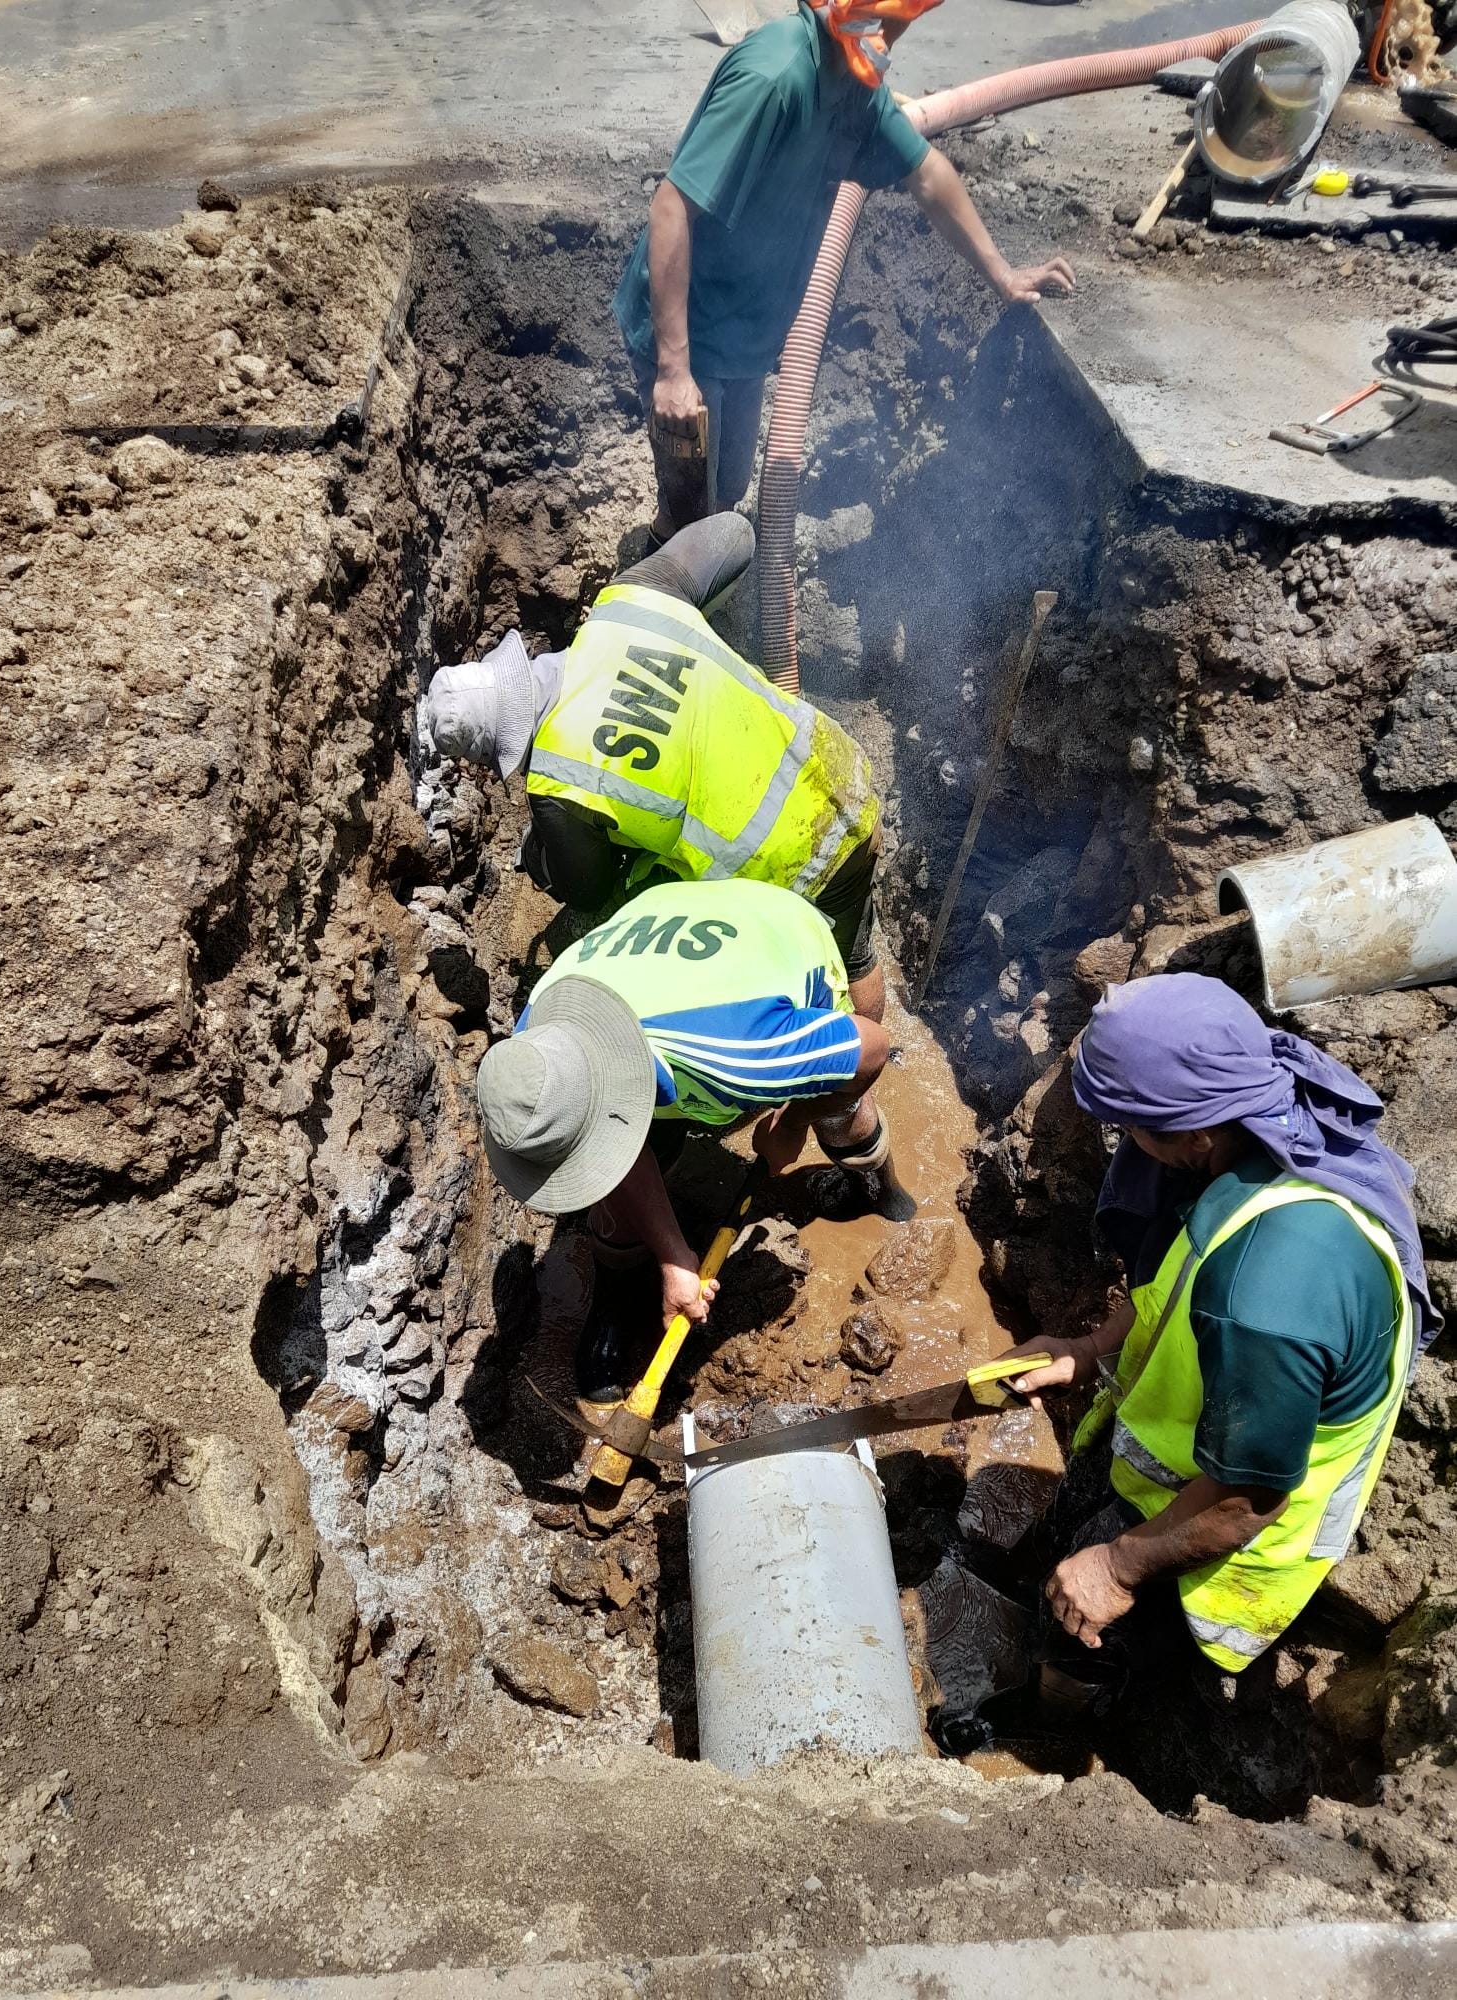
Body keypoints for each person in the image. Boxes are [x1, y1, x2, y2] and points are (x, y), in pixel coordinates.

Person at [999, 972, 1436, 1706]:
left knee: (1093, 1649)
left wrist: (1116, 1568)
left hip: (1215, 1546)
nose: (1127, 1143)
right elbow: (1178, 1287)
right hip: (1186, 1463)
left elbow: (1248, 1500)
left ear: (1194, 1131)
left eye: (1131, 1127)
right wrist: (1090, 1350)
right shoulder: (1266, 1129)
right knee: (1065, 1565)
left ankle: (1061, 1725)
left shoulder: (1266, 1294)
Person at [613, 0, 1076, 543]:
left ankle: (699, 577)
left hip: (744, 333)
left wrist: (1003, 274)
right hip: (687, 329)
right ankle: (650, 589)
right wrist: (673, 369)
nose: (891, 37)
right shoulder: (774, 76)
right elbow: (671, 207)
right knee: (690, 515)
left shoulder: (854, 83)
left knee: (729, 489)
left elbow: (928, 175)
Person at [425, 513, 888, 1022]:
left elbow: (590, 892)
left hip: (793, 862)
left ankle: (854, 1083)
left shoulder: (558, 783)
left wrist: (540, 853)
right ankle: (867, 1067)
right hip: (835, 766)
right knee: (855, 934)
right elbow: (736, 535)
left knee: (838, 978)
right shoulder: (631, 601)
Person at [474, 876, 910, 1400]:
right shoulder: (540, 1037)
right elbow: (605, 1146)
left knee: (842, 1115)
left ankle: (879, 1186)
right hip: (665, 925)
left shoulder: (745, 1054)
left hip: (779, 936)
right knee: (611, 1190)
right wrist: (675, 1256)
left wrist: (792, 1122)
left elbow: (873, 1048)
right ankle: (615, 1303)